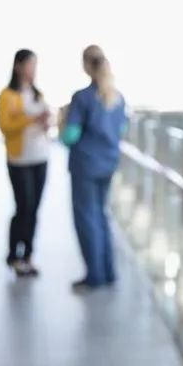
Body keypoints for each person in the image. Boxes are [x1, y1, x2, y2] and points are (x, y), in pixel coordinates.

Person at [60, 45, 127, 291]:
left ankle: (94, 275)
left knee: (87, 218)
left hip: (86, 165)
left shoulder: (82, 98)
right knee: (101, 215)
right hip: (108, 163)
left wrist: (62, 124)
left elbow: (70, 135)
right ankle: (109, 271)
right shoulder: (117, 98)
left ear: (86, 65)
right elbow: (121, 131)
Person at [0, 49, 51, 277]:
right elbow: (6, 126)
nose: (32, 70)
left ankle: (28, 255)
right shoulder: (7, 96)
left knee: (35, 208)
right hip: (19, 159)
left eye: (35, 65)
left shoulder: (39, 94)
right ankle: (14, 255)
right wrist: (31, 120)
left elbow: (46, 122)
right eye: (29, 65)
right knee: (24, 206)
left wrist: (46, 123)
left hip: (40, 156)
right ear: (18, 66)